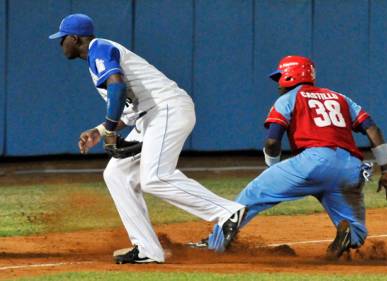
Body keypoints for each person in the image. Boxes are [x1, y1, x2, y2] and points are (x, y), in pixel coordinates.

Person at [49, 13, 245, 264]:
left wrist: (109, 129)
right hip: (151, 116)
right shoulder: (96, 59)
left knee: (154, 177)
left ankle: (227, 211)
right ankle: (147, 249)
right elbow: (128, 109)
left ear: (75, 38)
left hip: (166, 110)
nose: (60, 43)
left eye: (62, 38)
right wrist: (100, 130)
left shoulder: (100, 48)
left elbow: (117, 87)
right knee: (116, 174)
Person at [200, 55, 387, 257]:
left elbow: (272, 141)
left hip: (313, 162)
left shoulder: (288, 99)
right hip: (351, 168)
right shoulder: (340, 97)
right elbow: (373, 129)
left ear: (290, 76)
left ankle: (214, 243)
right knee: (354, 226)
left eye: (280, 76)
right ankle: (350, 235)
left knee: (252, 194)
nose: (278, 83)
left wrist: (273, 167)